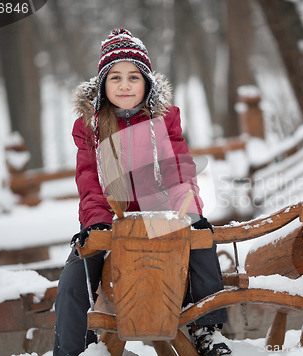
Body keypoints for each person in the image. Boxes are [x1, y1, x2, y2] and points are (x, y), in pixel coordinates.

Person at [53, 28, 231, 356]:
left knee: (201, 239)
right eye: (115, 77)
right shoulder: (89, 129)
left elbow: (181, 174)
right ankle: (76, 350)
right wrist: (97, 224)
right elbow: (89, 182)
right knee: (74, 280)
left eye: (134, 77)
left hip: (160, 220)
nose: (124, 85)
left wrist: (187, 212)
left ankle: (207, 331)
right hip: (110, 224)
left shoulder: (165, 121)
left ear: (146, 83)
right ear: (103, 85)